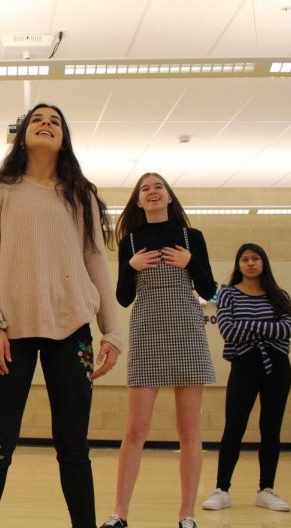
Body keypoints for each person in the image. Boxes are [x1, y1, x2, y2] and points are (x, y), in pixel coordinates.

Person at [0, 103, 122, 528]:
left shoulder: (82, 196)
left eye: (55, 120)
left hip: (72, 330)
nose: (46, 124)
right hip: (10, 334)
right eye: (37, 119)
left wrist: (112, 333)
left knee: (74, 445)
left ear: (64, 138)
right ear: (22, 135)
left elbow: (96, 262)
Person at [101, 172, 216, 528]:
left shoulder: (190, 237)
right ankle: (120, 513)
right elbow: (123, 298)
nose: (152, 192)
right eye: (144, 189)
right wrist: (130, 268)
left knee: (189, 431)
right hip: (147, 333)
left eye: (158, 187)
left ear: (169, 197)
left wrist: (190, 262)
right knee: (135, 430)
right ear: (138, 201)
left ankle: (187, 515)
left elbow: (209, 289)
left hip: (187, 332)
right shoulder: (131, 242)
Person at [202, 243, 291, 513]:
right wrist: (267, 329)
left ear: (264, 262)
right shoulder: (228, 294)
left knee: (271, 428)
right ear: (238, 264)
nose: (250, 263)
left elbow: (287, 328)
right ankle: (222, 489)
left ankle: (266, 489)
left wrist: (250, 327)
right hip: (244, 364)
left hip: (277, 366)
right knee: (234, 427)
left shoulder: (279, 295)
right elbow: (229, 331)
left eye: (255, 258)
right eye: (245, 259)